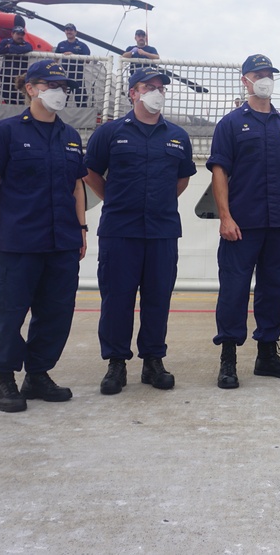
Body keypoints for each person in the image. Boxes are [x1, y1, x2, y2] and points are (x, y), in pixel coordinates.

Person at [0, 60, 87, 412]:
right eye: (50, 84)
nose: (58, 91)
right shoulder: (6, 132)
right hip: (17, 241)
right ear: (31, 88)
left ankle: (37, 374)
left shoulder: (70, 136)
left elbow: (77, 186)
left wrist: (81, 228)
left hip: (61, 242)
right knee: (9, 312)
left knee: (56, 312)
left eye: (62, 86)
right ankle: (3, 379)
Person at [83, 68, 197, 395]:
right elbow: (90, 171)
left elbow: (182, 178)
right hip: (120, 230)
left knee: (157, 298)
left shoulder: (177, 136)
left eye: (161, 87)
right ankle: (116, 363)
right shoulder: (110, 132)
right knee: (117, 298)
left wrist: (158, 202)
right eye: (149, 86)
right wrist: (115, 198)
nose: (156, 92)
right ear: (133, 93)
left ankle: (153, 361)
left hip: (162, 231)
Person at [208, 54, 280, 389]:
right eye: (259, 74)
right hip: (242, 224)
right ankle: (228, 360)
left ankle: (267, 355)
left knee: (274, 290)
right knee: (233, 291)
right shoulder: (231, 124)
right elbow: (219, 172)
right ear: (245, 80)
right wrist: (225, 216)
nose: (265, 79)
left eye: (269, 74)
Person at [54, 23, 91, 107]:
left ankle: (83, 118)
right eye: (67, 30)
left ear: (75, 32)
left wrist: (74, 55)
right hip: (64, 76)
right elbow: (55, 59)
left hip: (78, 76)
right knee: (61, 100)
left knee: (81, 100)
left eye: (71, 30)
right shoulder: (61, 44)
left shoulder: (82, 45)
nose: (69, 32)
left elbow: (88, 60)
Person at [0, 26, 33, 103]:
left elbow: (27, 49)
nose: (20, 36)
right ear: (12, 34)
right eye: (18, 34)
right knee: (5, 94)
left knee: (21, 96)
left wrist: (10, 48)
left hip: (20, 77)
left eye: (22, 34)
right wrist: (17, 49)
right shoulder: (5, 41)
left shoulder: (27, 44)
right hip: (6, 75)